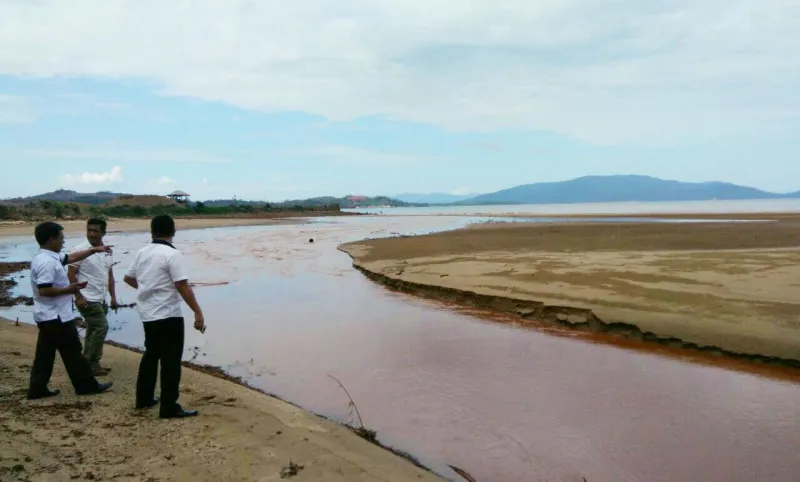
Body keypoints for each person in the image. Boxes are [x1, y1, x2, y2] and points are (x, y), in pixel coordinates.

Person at [124, 214, 206, 418]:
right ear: (173, 231)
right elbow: (182, 285)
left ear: (152, 231)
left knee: (151, 355)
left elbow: (128, 278)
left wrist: (147, 289)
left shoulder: (142, 252)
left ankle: (143, 398)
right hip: (168, 314)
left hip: (147, 313)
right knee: (170, 361)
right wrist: (197, 311)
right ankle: (169, 405)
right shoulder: (172, 254)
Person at [27, 221, 114, 400]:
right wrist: (71, 289)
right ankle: (86, 386)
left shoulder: (48, 256)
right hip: (56, 316)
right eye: (61, 238)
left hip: (48, 315)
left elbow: (71, 258)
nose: (63, 241)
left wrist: (93, 250)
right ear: (52, 240)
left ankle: (37, 388)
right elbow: (44, 290)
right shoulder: (47, 262)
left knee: (45, 354)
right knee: (73, 351)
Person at [67, 218, 117, 376]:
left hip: (101, 298)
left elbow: (109, 275)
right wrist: (78, 297)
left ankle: (86, 361)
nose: (91, 234)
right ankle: (92, 363)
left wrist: (113, 297)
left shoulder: (107, 251)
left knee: (92, 329)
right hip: (87, 297)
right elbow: (71, 275)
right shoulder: (79, 250)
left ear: (103, 232)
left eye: (95, 231)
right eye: (89, 230)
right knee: (102, 327)